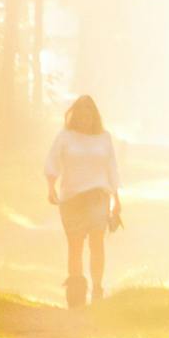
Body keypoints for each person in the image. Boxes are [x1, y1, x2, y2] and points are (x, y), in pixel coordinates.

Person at [45, 95, 123, 306]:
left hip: (98, 196)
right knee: (75, 245)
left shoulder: (104, 138)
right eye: (81, 116)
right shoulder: (65, 137)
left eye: (88, 116)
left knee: (97, 243)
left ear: (94, 116)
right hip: (72, 199)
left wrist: (116, 199)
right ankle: (76, 292)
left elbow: (112, 168)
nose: (85, 120)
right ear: (75, 116)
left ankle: (97, 288)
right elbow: (52, 161)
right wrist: (51, 186)